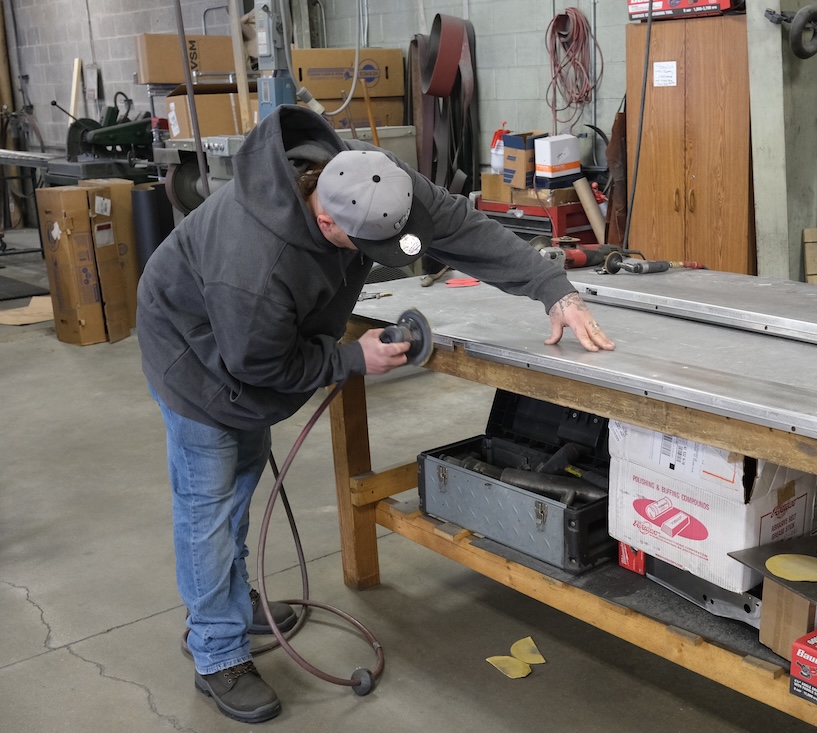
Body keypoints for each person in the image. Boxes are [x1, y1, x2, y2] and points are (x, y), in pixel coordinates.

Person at [137, 105, 614, 724]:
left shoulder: (370, 180)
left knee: (242, 480)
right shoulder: (256, 264)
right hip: (197, 354)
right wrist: (347, 360)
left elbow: (461, 228)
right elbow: (259, 364)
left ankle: (228, 602)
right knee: (210, 501)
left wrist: (553, 289)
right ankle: (217, 650)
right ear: (326, 217)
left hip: (250, 339)